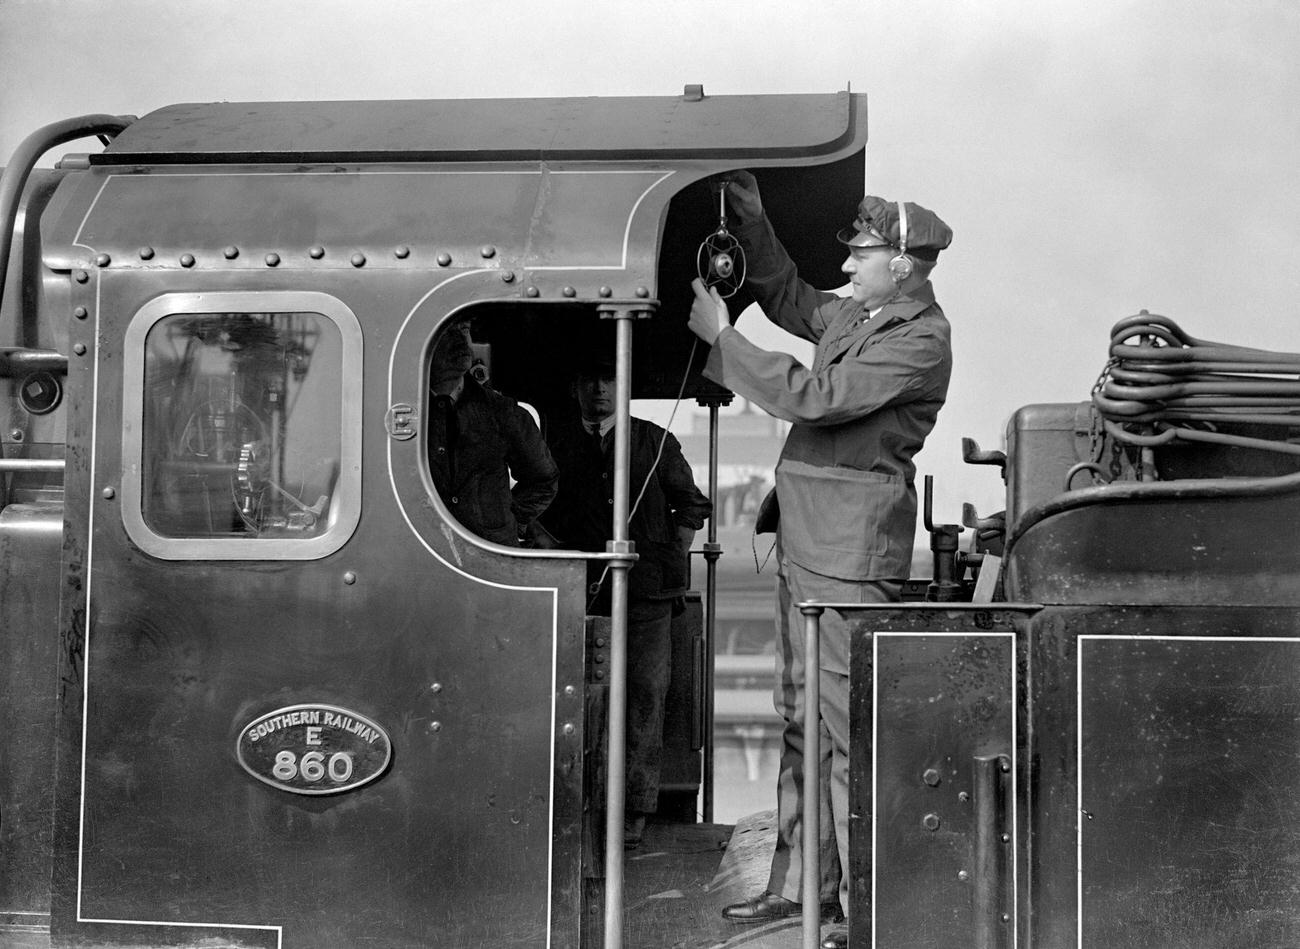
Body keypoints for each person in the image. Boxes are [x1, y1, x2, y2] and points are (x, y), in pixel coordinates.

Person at [688, 172, 953, 949]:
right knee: (803, 724)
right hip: (809, 546)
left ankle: (861, 914)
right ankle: (801, 890)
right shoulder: (859, 314)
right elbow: (786, 292)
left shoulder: (918, 339)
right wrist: (752, 219)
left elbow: (819, 396)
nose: (850, 267)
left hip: (847, 556)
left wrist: (722, 339)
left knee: (847, 735)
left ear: (902, 264)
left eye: (863, 254)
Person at [534, 357, 711, 847]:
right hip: (576, 593)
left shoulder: (656, 441)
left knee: (643, 701)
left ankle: (633, 812)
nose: (599, 390)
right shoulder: (554, 444)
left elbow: (691, 506)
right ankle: (578, 811)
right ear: (575, 387)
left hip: (649, 597)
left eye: (609, 380)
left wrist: (671, 551)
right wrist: (552, 552)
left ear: (623, 385)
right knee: (576, 703)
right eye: (589, 379)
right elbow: (529, 503)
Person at [427, 319, 558, 546]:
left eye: (464, 329)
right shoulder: (403, 407)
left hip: (490, 552)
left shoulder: (502, 411)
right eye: (447, 331)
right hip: (423, 548)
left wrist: (502, 520)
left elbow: (543, 479)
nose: (460, 340)